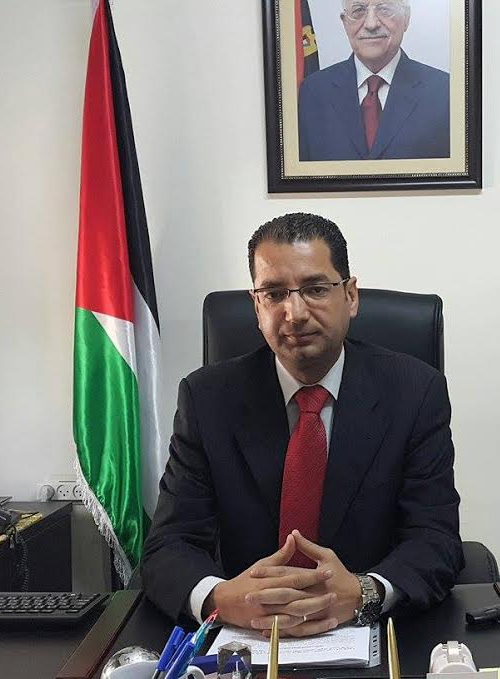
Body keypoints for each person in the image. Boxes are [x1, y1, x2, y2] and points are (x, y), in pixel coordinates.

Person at [142, 213, 462, 636]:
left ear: (350, 296)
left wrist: (365, 592)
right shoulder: (207, 399)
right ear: (257, 307)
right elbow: (169, 544)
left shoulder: (415, 392)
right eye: (274, 294)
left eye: (315, 289)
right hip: (247, 638)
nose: (294, 313)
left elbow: (435, 538)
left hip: (369, 632)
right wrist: (220, 599)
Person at [298, 1, 450, 161]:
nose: (371, 24)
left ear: (406, 18)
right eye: (358, 10)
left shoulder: (445, 92)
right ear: (345, 22)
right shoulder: (312, 92)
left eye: (385, 9)